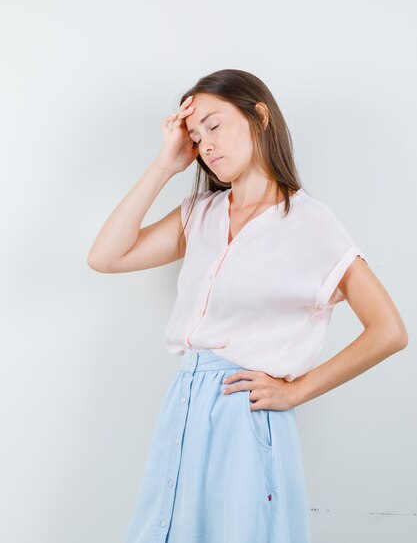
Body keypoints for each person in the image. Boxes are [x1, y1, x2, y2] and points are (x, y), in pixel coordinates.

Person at [87, 69, 408, 543]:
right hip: (185, 404)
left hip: (244, 410)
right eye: (196, 138)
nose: (206, 146)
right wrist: (164, 166)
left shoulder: (309, 222)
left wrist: (297, 390)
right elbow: (105, 256)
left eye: (214, 126)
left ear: (259, 117)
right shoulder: (201, 214)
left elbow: (389, 330)